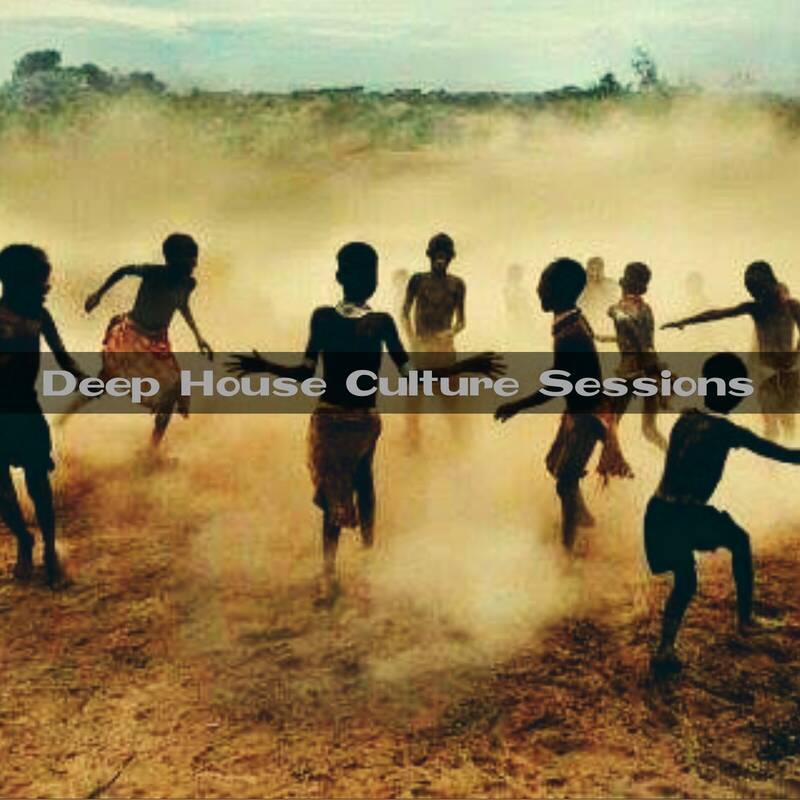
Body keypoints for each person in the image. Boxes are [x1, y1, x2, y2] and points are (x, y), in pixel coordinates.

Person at [227, 242, 501, 603]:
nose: (366, 279)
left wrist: (263, 367)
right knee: (354, 486)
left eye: (369, 271)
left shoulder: (339, 319)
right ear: (342, 276)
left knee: (345, 490)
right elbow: (406, 375)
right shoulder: (368, 321)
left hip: (346, 421)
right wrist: (466, 366)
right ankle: (348, 564)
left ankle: (344, 567)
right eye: (363, 272)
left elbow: (309, 373)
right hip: (351, 420)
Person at [645, 352, 799, 673]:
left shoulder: (685, 420)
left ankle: (665, 648)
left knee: (686, 581)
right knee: (739, 541)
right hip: (685, 515)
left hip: (659, 511)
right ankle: (745, 621)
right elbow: (783, 454)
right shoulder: (726, 431)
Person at [495, 257, 632, 551]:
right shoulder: (572, 321)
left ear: (559, 292)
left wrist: (517, 405)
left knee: (565, 482)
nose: (538, 290)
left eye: (543, 284)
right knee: (559, 470)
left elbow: (556, 385)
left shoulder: (570, 334)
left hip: (587, 417)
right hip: (582, 412)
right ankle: (584, 519)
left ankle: (568, 547)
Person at [0, 244, 87, 585]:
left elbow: (63, 357)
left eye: (45, 281)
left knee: (39, 483)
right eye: (38, 282)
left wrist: (83, 379)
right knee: (3, 493)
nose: (45, 288)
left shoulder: (40, 317)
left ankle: (50, 549)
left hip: (26, 409)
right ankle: (24, 540)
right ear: (12, 281)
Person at [75, 233, 213, 447]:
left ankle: (151, 451)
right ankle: (67, 413)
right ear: (172, 260)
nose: (194, 263)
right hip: (133, 334)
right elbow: (123, 271)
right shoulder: (153, 272)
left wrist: (198, 337)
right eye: (189, 258)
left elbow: (182, 305)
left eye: (195, 257)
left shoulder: (188, 283)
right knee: (106, 379)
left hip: (157, 340)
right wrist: (98, 294)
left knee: (175, 388)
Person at [662, 261, 800, 438]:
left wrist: (795, 355)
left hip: (787, 372)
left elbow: (718, 314)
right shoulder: (756, 307)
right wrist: (684, 321)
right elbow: (717, 314)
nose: (754, 294)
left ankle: (787, 452)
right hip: (766, 372)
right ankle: (776, 454)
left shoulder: (790, 306)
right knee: (772, 423)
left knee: (788, 422)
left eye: (756, 289)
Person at [402, 233, 468, 445]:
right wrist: (412, 338)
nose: (440, 260)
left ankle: (459, 443)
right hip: (421, 348)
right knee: (414, 400)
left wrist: (450, 333)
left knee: (451, 400)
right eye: (437, 255)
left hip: (444, 350)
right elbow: (404, 312)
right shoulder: (418, 280)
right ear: (429, 256)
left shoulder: (457, 284)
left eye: (445, 255)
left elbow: (461, 321)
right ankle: (413, 442)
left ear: (450, 257)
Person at [595, 262, 667, 450]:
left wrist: (616, 314)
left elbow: (633, 334)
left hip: (631, 372)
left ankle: (610, 463)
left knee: (611, 423)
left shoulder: (619, 309)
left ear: (624, 285)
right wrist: (607, 338)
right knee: (650, 429)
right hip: (652, 369)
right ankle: (677, 459)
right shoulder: (646, 308)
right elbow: (641, 339)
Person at [580, 256, 617, 331]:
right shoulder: (579, 286)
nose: (594, 273)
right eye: (592, 269)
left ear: (602, 271)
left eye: (598, 270)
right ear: (587, 270)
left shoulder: (610, 285)